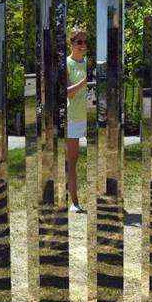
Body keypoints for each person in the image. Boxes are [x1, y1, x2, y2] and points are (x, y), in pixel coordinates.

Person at [66, 26, 88, 213]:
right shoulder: (67, 64)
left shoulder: (89, 63)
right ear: (71, 44)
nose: (82, 45)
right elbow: (68, 93)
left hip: (90, 117)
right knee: (73, 161)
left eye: (84, 42)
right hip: (73, 118)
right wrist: (84, 82)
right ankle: (74, 202)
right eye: (78, 41)